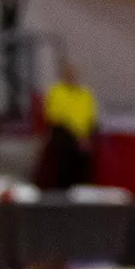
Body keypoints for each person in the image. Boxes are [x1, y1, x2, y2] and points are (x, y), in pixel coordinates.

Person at [39, 61, 96, 190]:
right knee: (63, 156)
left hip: (83, 137)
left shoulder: (84, 94)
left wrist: (84, 137)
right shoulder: (56, 92)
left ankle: (81, 191)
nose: (71, 77)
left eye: (73, 74)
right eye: (68, 74)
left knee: (83, 163)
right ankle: (62, 191)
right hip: (64, 135)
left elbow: (90, 116)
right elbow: (54, 115)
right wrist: (75, 134)